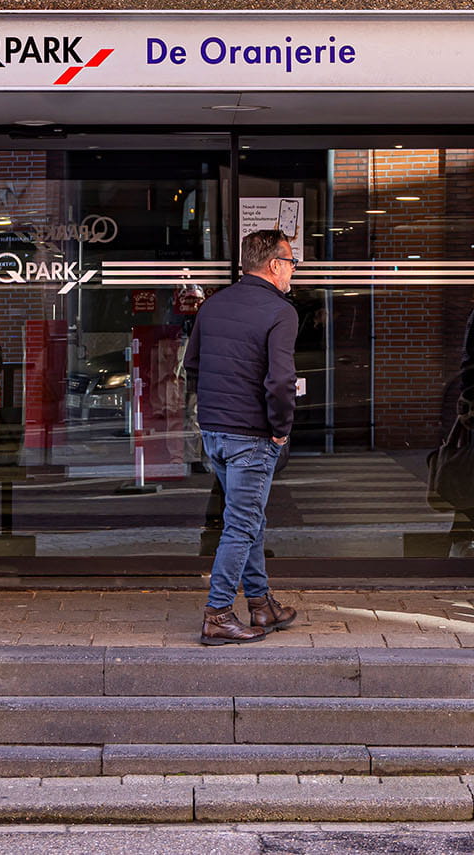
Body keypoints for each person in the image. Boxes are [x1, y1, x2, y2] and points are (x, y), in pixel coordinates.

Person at [185, 228, 299, 646]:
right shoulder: (280, 311)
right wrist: (281, 430)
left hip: (214, 429)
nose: (293, 271)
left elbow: (193, 364)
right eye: (291, 263)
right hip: (251, 434)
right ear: (273, 265)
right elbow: (281, 381)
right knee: (241, 523)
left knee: (250, 517)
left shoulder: (213, 306)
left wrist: (212, 414)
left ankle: (261, 603)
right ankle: (217, 614)